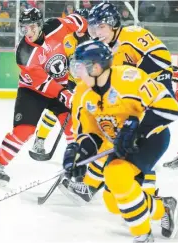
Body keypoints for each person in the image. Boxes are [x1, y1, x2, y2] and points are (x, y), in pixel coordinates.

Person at [58, 1, 174, 203]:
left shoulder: (133, 35)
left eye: (101, 27)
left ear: (113, 24)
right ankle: (92, 185)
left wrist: (138, 80)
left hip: (153, 90)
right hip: (130, 99)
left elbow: (161, 58)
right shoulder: (106, 49)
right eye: (93, 28)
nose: (96, 33)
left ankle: (148, 194)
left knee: (141, 139)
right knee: (111, 134)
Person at [63, 39, 178, 242]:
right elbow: (90, 135)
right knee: (113, 203)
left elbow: (169, 107)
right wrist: (79, 155)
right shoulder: (82, 94)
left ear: (96, 67)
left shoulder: (129, 78)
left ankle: (143, 235)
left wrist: (138, 130)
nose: (76, 73)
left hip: (152, 137)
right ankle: (163, 207)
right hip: (120, 144)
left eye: (79, 68)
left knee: (115, 174)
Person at [0, 8, 88, 186]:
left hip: (60, 86)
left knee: (74, 127)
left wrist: (84, 38)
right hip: (32, 91)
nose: (28, 32)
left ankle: (79, 171)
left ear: (40, 25)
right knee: (24, 130)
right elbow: (44, 83)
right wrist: (65, 94)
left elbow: (80, 22)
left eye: (32, 27)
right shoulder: (24, 52)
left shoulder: (56, 26)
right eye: (24, 28)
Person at [30, 8, 90, 165]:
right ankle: (40, 139)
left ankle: (83, 146)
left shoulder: (94, 40)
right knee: (53, 111)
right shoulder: (65, 38)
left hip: (87, 84)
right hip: (67, 81)